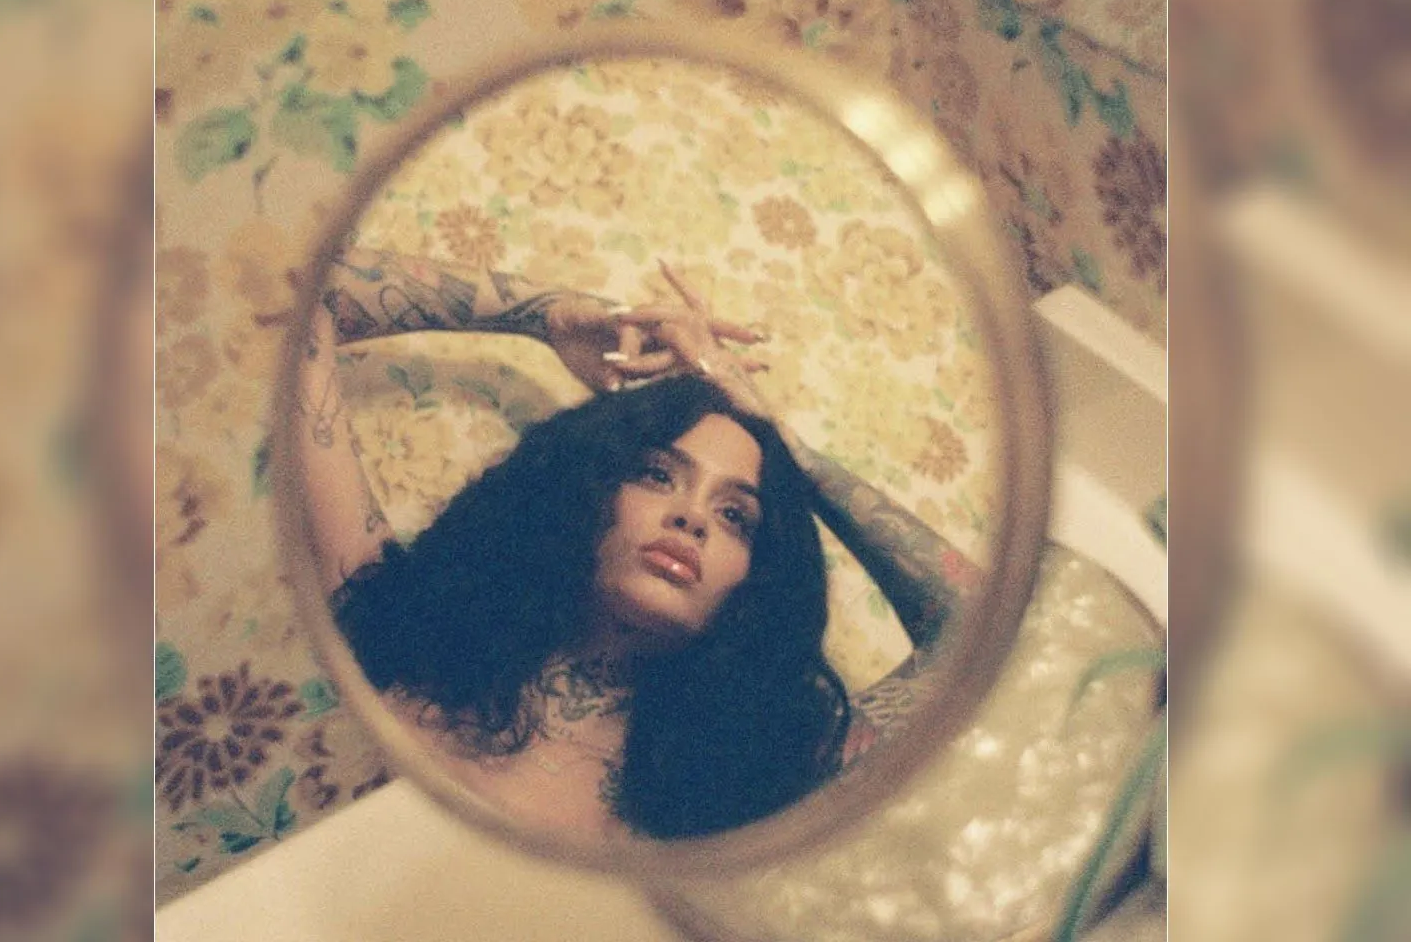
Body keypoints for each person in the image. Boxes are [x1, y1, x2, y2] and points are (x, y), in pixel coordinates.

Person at [298, 248, 978, 839]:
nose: (692, 518)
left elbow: (988, 623)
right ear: (587, 490)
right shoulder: (407, 625)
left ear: (758, 575)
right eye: (657, 475)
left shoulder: (757, 779)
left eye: (736, 515)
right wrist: (551, 316)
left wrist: (782, 445)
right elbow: (306, 293)